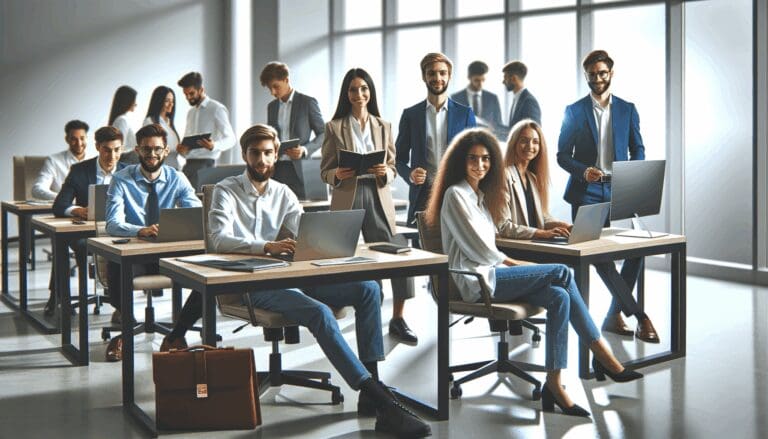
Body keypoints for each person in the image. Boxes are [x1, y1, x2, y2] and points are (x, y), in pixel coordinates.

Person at [160, 124, 431, 438]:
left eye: (267, 153)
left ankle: (370, 394)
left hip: (290, 275)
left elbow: (302, 235)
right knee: (319, 312)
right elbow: (219, 239)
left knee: (369, 289)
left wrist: (323, 244)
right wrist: (266, 246)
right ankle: (383, 399)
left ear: (276, 155)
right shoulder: (225, 190)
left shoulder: (284, 193)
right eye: (255, 153)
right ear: (245, 155)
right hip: (253, 283)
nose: (262, 160)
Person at [424, 128, 643, 418]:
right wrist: (519, 265)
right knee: (562, 273)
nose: (480, 165)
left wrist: (516, 263)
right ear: (460, 162)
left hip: (493, 273)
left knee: (558, 297)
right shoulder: (455, 195)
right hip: (478, 282)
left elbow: (489, 246)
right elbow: (481, 251)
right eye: (472, 159)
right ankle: (602, 353)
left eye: (486, 159)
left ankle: (554, 383)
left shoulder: (479, 196)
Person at [556, 49, 659, 343]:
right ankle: (638, 314)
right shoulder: (574, 111)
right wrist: (581, 171)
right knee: (597, 254)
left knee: (637, 248)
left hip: (620, 186)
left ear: (611, 73)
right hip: (586, 190)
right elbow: (562, 155)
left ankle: (614, 314)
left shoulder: (627, 108)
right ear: (586, 75)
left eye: (602, 73)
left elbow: (638, 147)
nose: (597, 78)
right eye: (592, 74)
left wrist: (633, 172)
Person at [320, 68, 418, 344]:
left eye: (364, 89)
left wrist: (384, 172)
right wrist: (334, 175)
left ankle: (398, 318)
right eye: (353, 90)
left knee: (397, 252)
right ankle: (335, 313)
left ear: (370, 91)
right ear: (346, 94)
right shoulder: (334, 126)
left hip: (377, 193)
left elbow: (393, 165)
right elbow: (324, 169)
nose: (359, 94)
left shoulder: (383, 125)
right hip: (347, 194)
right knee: (338, 254)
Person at [103, 123, 201, 362]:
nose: (152, 154)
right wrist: (141, 230)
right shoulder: (121, 179)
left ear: (166, 151)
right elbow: (112, 224)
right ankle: (125, 332)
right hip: (134, 252)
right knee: (116, 270)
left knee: (208, 274)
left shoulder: (177, 178)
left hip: (167, 253)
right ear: (137, 150)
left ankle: (177, 334)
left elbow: (196, 214)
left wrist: (179, 226)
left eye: (157, 149)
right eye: (146, 149)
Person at [45, 126, 126, 316]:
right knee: (66, 243)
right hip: (87, 233)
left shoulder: (129, 171)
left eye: (117, 150)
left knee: (125, 249)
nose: (112, 156)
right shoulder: (80, 170)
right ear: (97, 147)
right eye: (107, 150)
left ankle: (120, 305)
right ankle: (60, 298)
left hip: (119, 232)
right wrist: (78, 210)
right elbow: (59, 205)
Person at [395, 52, 477, 228]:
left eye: (442, 73)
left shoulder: (465, 114)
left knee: (455, 252)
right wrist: (409, 174)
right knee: (423, 251)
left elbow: (475, 156)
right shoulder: (411, 115)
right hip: (422, 197)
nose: (437, 78)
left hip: (458, 195)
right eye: (431, 73)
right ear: (424, 76)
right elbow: (398, 159)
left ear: (449, 76)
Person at [260, 61, 325, 198]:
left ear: (286, 80)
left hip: (300, 168)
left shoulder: (308, 103)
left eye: (275, 87)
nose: (272, 92)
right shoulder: (271, 107)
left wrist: (305, 150)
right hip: (276, 168)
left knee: (301, 211)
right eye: (269, 88)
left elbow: (324, 133)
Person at [176, 71, 236, 189]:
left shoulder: (216, 108)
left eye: (191, 93)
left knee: (201, 203)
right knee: (185, 203)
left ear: (201, 89)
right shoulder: (191, 113)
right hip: (188, 165)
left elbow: (231, 139)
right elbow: (188, 141)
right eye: (186, 94)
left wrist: (214, 145)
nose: (188, 97)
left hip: (206, 165)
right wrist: (183, 150)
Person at [32, 120, 89, 200]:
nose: (79, 143)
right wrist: (63, 198)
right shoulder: (53, 161)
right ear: (67, 139)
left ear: (87, 138)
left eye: (82, 138)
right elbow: (37, 189)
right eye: (73, 139)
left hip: (92, 210)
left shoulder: (96, 160)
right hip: (64, 210)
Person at [450, 60, 503, 134]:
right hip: (464, 141)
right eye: (477, 80)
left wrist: (493, 129)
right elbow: (452, 125)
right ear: (469, 77)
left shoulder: (493, 98)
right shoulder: (455, 98)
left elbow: (498, 124)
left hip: (487, 141)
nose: (481, 84)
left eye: (483, 80)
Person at [143, 85, 183, 170]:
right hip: (160, 169)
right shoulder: (150, 121)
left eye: (172, 101)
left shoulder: (169, 123)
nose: (171, 104)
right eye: (167, 101)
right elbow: (149, 149)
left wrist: (182, 150)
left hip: (175, 168)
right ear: (159, 102)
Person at [502, 61, 541, 128]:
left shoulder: (529, 101)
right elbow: (513, 129)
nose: (503, 82)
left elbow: (533, 130)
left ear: (513, 79)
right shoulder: (517, 99)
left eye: (505, 77)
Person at [108, 85, 139, 162]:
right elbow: (119, 147)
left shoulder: (124, 119)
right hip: (127, 161)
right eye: (134, 100)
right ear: (127, 101)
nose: (136, 104)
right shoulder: (122, 120)